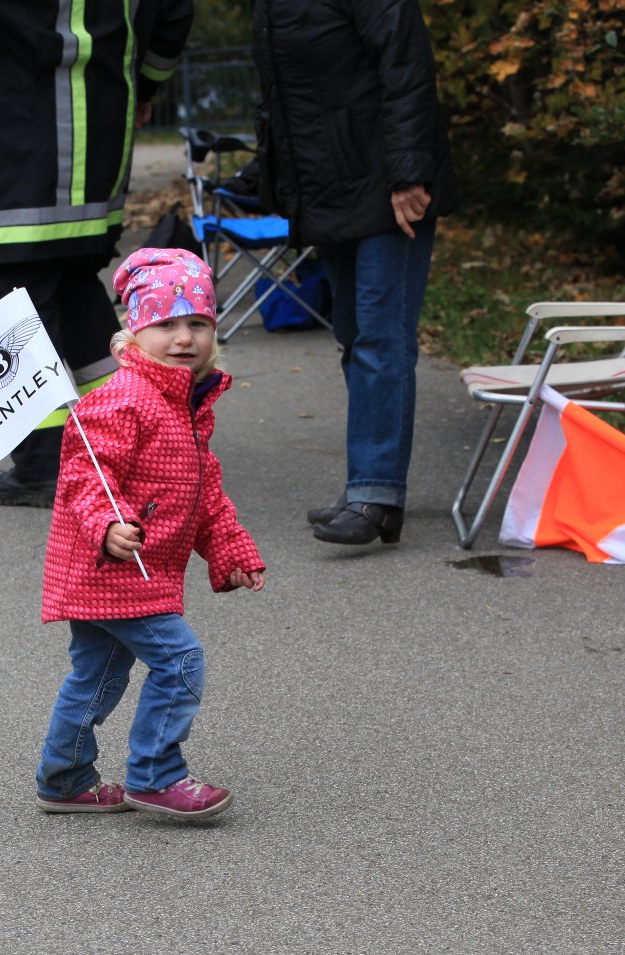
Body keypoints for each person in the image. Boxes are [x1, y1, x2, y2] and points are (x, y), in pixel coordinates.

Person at [36, 248, 266, 820]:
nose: (184, 338)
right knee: (180, 660)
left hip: (133, 569)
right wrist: (107, 525)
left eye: (199, 323)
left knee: (97, 675)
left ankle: (64, 779)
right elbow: (86, 476)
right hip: (111, 566)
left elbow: (204, 493)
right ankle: (155, 776)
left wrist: (230, 551)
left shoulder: (186, 404)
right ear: (134, 334)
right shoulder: (123, 398)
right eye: (165, 324)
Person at [0, 0, 194, 507]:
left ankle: (44, 466)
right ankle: (135, 438)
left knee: (15, 304)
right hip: (97, 135)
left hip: (8, 136)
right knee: (74, 283)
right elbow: (174, 14)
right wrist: (143, 85)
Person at [253, 0, 459, 546]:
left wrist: (409, 172)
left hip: (389, 185)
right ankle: (368, 488)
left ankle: (376, 492)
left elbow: (406, 66)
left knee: (380, 336)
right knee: (352, 333)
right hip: (334, 187)